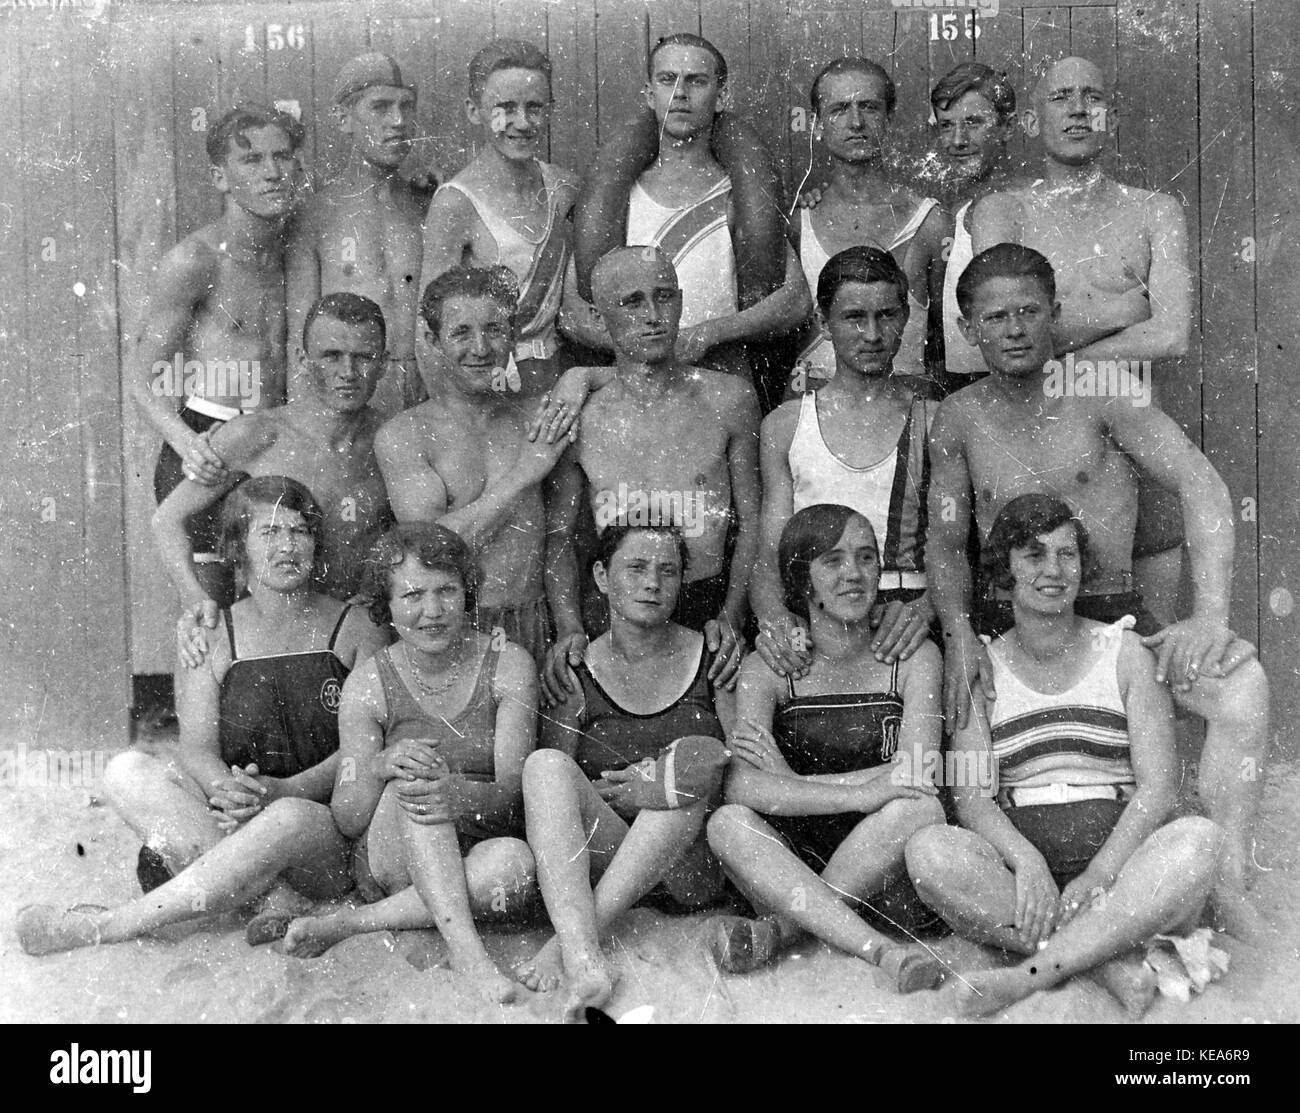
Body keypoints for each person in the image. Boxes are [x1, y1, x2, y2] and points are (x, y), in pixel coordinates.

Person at [927, 243, 1269, 939]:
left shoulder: (1103, 390)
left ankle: (1224, 873)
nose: (1015, 328)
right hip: (1011, 619)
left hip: (1114, 607)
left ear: (1055, 315)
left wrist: (1209, 615)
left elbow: (1201, 483)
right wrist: (960, 632)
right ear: (969, 330)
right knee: (963, 767)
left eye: (1029, 311)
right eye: (996, 316)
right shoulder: (956, 418)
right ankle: (1040, 889)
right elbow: (943, 538)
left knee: (1243, 688)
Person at [16, 477, 388, 956]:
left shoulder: (355, 629)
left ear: (316, 543)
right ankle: (272, 898)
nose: (287, 546)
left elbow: (364, 752)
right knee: (125, 771)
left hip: (317, 831)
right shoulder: (213, 633)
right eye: (269, 533)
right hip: (237, 816)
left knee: (288, 817)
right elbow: (196, 749)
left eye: (299, 532)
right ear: (238, 548)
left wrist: (283, 791)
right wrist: (229, 794)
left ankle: (109, 926)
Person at [906, 495, 1225, 1018]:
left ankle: (1025, 974)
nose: (1054, 570)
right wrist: (1028, 862)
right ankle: (1102, 961)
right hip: (1024, 860)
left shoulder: (1125, 653)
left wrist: (1099, 874)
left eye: (1067, 554)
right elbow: (973, 799)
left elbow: (1159, 786)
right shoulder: (979, 665)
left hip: (1119, 855)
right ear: (1003, 572)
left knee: (1200, 841)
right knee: (928, 851)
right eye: (1034, 555)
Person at [972, 56, 1193, 621]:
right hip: (1037, 437)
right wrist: (1128, 304)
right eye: (1060, 96)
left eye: (1090, 96)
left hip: (1137, 436)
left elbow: (1170, 335)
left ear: (1110, 117)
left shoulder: (1155, 210)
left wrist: (1066, 357)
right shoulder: (1002, 210)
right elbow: (1000, 323)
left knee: (1147, 639)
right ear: (1029, 121)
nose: (1076, 109)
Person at [282, 523, 539, 1005]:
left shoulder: (509, 664)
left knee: (515, 867)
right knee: (416, 772)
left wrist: (457, 792)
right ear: (388, 604)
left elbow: (512, 797)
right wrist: (381, 765)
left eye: (447, 591)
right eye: (413, 595)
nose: (433, 611)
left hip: (476, 842)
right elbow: (348, 817)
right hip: (392, 852)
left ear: (468, 593)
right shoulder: (368, 682)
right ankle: (471, 954)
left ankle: (353, 924)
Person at [705, 504, 946, 993]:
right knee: (726, 824)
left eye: (865, 558)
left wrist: (791, 784)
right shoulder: (769, 667)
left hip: (881, 865)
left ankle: (787, 930)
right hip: (792, 861)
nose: (853, 575)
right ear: (803, 580)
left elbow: (918, 774)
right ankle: (878, 950)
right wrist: (863, 790)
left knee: (919, 810)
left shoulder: (913, 656)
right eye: (832, 561)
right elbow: (743, 786)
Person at [516, 524, 733, 1021]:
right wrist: (630, 793)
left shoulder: (712, 658)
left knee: (685, 778)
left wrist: (651, 786)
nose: (652, 583)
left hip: (688, 865)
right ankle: (587, 958)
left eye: (668, 571)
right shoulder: (577, 670)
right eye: (635, 568)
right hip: (611, 852)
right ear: (601, 576)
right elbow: (559, 794)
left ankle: (573, 938)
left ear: (682, 583)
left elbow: (733, 766)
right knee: (545, 765)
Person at [543, 246, 758, 702]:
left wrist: (734, 616)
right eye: (632, 302)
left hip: (708, 608)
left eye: (664, 297)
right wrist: (569, 625)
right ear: (600, 321)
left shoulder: (728, 400)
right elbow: (559, 534)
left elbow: (754, 525)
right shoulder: (583, 415)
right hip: (615, 614)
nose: (653, 315)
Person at [573, 33, 810, 410]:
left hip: (719, 386)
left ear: (722, 97)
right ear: (649, 95)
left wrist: (710, 334)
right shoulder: (621, 197)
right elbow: (572, 310)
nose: (681, 93)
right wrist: (645, 347)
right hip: (635, 393)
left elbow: (795, 301)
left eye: (697, 81)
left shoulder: (738, 196)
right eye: (668, 80)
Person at [132, 104, 304, 606]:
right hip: (210, 441)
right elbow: (142, 381)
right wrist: (187, 444)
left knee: (279, 614)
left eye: (283, 157)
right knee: (209, 613)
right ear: (220, 177)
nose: (272, 172)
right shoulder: (195, 260)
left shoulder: (294, 246)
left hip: (274, 439)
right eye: (251, 161)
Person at [155, 292, 393, 648]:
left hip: (359, 635)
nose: (347, 372)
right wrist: (193, 596)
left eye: (363, 358)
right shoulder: (258, 435)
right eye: (331, 356)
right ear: (302, 359)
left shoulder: (394, 440)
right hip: (274, 635)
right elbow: (167, 519)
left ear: (384, 364)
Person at [375, 266, 572, 671]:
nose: (481, 348)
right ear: (433, 341)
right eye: (461, 332)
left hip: (532, 617)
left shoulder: (535, 418)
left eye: (495, 330)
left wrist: (569, 628)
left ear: (514, 336)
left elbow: (559, 537)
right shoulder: (406, 434)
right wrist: (524, 475)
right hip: (450, 626)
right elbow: (430, 550)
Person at [754, 247, 935, 681]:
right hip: (817, 631)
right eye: (854, 317)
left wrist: (927, 608)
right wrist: (775, 618)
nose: (872, 334)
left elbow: (954, 546)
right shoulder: (786, 425)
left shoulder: (933, 420)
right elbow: (767, 554)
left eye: (886, 316)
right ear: (823, 322)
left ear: (906, 317)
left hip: (904, 629)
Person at [420, 39, 580, 401]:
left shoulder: (565, 187)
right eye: (505, 108)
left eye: (535, 107)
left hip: (555, 374)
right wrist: (450, 417)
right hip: (489, 383)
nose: (522, 123)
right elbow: (427, 323)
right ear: (474, 111)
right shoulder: (455, 202)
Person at [288, 53, 432, 419]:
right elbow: (299, 340)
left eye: (406, 107)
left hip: (432, 390)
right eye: (380, 107)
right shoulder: (315, 215)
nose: (398, 121)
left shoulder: (432, 204)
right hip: (353, 392)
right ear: (343, 118)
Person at [790, 58, 947, 388]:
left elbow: (944, 338)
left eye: (870, 107)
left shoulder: (929, 221)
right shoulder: (800, 221)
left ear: (889, 119)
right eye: (839, 109)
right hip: (816, 410)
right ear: (818, 125)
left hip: (902, 408)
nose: (856, 122)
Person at [930, 63, 1020, 389]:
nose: (958, 140)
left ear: (1007, 127)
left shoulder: (1005, 207)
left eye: (973, 123)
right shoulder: (963, 210)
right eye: (946, 126)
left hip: (1006, 390)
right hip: (968, 388)